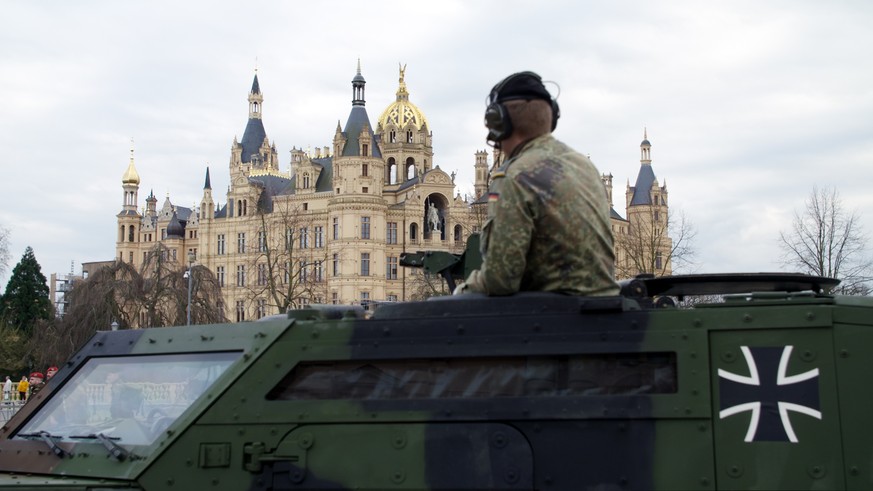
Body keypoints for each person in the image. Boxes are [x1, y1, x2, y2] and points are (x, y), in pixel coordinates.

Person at [456, 71, 619, 296]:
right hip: (601, 310)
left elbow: (500, 279)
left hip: (553, 318)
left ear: (499, 122)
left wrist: (461, 292)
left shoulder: (515, 176)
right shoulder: (584, 166)